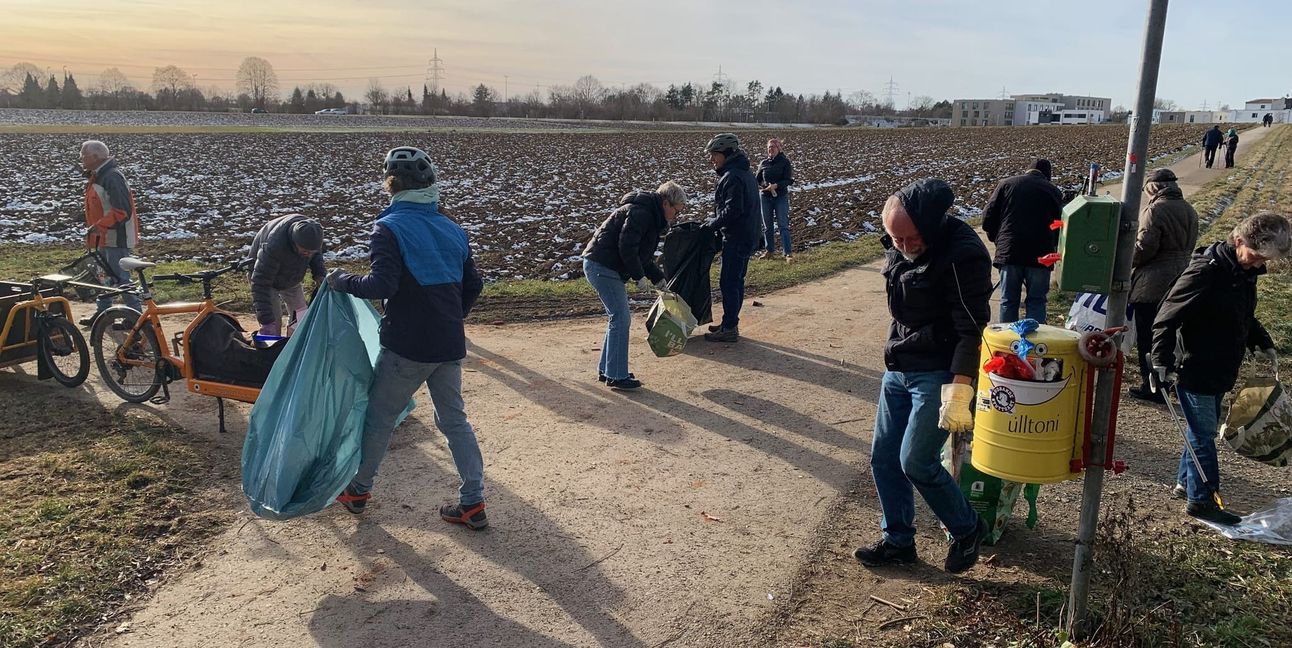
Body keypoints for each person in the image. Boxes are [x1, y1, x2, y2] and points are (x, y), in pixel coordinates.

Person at [327, 146, 487, 530]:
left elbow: (382, 283)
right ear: (430, 185)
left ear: (391, 186)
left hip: (408, 345)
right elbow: (475, 284)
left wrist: (340, 281)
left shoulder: (389, 228)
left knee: (379, 418)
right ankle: (473, 502)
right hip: (448, 342)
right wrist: (452, 317)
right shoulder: (453, 228)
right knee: (454, 420)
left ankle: (359, 490)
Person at [853, 178, 992, 574]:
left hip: (939, 371)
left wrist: (960, 388)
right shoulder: (900, 246)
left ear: (929, 226)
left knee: (916, 460)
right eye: (894, 239)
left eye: (909, 238)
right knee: (884, 458)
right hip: (900, 365)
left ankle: (968, 528)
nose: (902, 246)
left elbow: (972, 327)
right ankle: (898, 541)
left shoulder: (963, 255)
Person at [1151, 212, 1290, 525]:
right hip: (1196, 365)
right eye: (1255, 257)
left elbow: (1242, 315)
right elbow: (1166, 316)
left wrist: (1262, 341)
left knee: (1200, 429)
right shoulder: (1205, 272)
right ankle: (1202, 500)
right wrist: (1159, 360)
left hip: (1222, 366)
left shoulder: (1241, 274)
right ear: (1239, 241)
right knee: (1203, 435)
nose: (1258, 264)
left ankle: (1186, 483)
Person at [581, 181, 687, 390]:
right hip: (602, 266)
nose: (676, 216)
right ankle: (616, 376)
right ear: (666, 203)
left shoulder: (650, 215)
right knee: (621, 318)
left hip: (604, 266)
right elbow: (627, 247)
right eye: (676, 211)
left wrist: (658, 279)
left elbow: (643, 257)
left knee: (617, 318)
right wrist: (639, 277)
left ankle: (608, 370)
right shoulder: (642, 213)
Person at [1127, 169, 1199, 403]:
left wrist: (1124, 262)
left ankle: (1152, 385)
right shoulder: (1189, 210)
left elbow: (1144, 248)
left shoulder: (1155, 210)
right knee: (1170, 335)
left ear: (1154, 187)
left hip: (1153, 283)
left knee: (1149, 336)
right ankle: (1169, 381)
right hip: (1181, 278)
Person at [981, 158, 1063, 323]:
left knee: (1008, 301)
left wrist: (998, 239)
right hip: (1041, 255)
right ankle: (1034, 344)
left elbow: (987, 217)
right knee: (1037, 301)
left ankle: (1007, 344)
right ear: (1048, 175)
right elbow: (1059, 225)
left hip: (1010, 252)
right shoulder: (1053, 191)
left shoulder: (1006, 184)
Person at [701, 133, 760, 343]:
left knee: (729, 282)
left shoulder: (733, 176)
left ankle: (729, 328)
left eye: (714, 155)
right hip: (746, 236)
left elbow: (733, 210)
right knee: (736, 281)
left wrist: (712, 224)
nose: (711, 160)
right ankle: (729, 322)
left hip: (737, 238)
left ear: (726, 154)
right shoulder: (743, 172)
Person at [78, 140, 142, 325]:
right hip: (102, 237)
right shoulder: (98, 176)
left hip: (115, 237)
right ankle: (103, 314)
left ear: (96, 157)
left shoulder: (111, 177)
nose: (81, 159)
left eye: (84, 155)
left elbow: (122, 211)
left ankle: (135, 317)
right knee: (103, 277)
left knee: (121, 278)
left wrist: (99, 226)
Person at [247, 215, 326, 336]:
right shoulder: (273, 245)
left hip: (291, 278)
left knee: (300, 320)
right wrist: (266, 321)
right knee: (273, 323)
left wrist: (319, 274)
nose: (308, 254)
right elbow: (260, 282)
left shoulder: (313, 236)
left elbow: (316, 256)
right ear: (295, 242)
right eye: (305, 251)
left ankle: (292, 348)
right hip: (265, 280)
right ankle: (271, 353)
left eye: (312, 252)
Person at [756, 138, 795, 262]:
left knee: (783, 225)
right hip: (765, 197)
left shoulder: (785, 162)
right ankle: (769, 251)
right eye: (768, 147)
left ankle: (787, 253)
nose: (770, 149)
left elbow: (788, 180)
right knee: (767, 226)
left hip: (780, 197)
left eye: (773, 147)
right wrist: (764, 186)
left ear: (779, 148)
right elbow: (757, 179)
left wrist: (776, 185)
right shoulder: (763, 163)